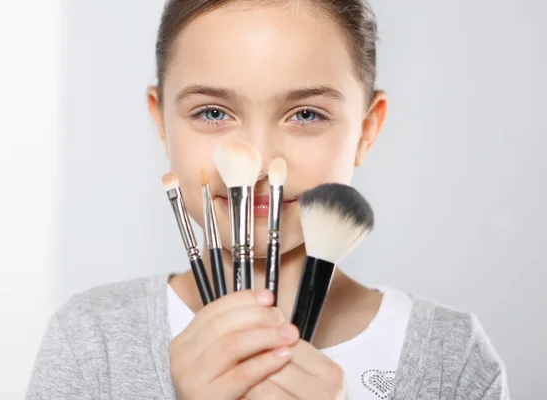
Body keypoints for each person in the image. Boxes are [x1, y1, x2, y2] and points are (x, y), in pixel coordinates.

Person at [27, 1, 509, 399]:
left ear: (366, 129)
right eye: (212, 112)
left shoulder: (452, 358)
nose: (257, 162)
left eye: (306, 114)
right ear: (161, 123)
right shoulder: (94, 340)